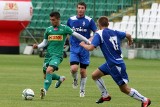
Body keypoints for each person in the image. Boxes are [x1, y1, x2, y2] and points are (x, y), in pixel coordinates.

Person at [80, 16, 151, 107]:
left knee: (124, 89)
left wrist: (83, 45)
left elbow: (90, 48)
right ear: (108, 24)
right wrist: (130, 41)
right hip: (110, 63)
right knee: (95, 75)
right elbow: (128, 35)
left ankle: (145, 100)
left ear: (99, 24)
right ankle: (105, 95)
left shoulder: (99, 34)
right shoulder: (115, 32)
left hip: (116, 65)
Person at [33, 11, 91, 99]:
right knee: (46, 76)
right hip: (48, 56)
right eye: (51, 20)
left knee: (49, 71)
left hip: (57, 56)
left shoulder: (64, 28)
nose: (52, 22)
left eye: (53, 20)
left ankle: (44, 91)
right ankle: (60, 78)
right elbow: (44, 43)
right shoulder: (48, 30)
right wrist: (37, 46)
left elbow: (76, 35)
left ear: (58, 19)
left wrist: (88, 41)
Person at [67, 1, 97, 97]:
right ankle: (75, 79)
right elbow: (66, 31)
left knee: (83, 71)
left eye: (82, 8)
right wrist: (68, 42)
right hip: (74, 48)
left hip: (84, 49)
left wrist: (89, 40)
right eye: (79, 8)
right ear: (77, 9)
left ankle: (82, 90)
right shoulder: (71, 20)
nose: (80, 9)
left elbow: (96, 33)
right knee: (74, 68)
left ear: (85, 9)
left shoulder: (89, 20)